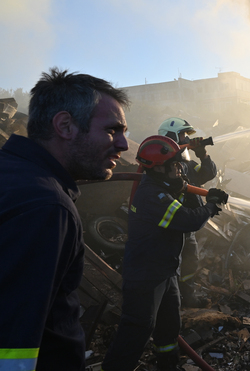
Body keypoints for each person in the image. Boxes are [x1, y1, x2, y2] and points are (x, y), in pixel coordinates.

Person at [0, 68, 130, 370]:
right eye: (113, 130)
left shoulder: (12, 174)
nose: (124, 145)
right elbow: (11, 343)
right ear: (65, 125)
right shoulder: (46, 206)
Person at [101, 135, 228, 371]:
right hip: (146, 276)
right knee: (137, 330)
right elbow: (187, 220)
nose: (180, 168)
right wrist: (210, 204)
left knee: (169, 325)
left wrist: (196, 195)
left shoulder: (164, 186)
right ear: (158, 167)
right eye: (175, 165)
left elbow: (190, 208)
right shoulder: (152, 195)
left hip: (165, 271)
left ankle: (168, 365)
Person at [158, 117, 217, 307]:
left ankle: (188, 298)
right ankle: (171, 303)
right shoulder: (163, 166)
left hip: (188, 226)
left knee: (191, 262)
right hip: (171, 227)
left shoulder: (188, 164)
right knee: (172, 266)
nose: (186, 138)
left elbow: (207, 174)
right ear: (170, 136)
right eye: (183, 134)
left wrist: (203, 154)